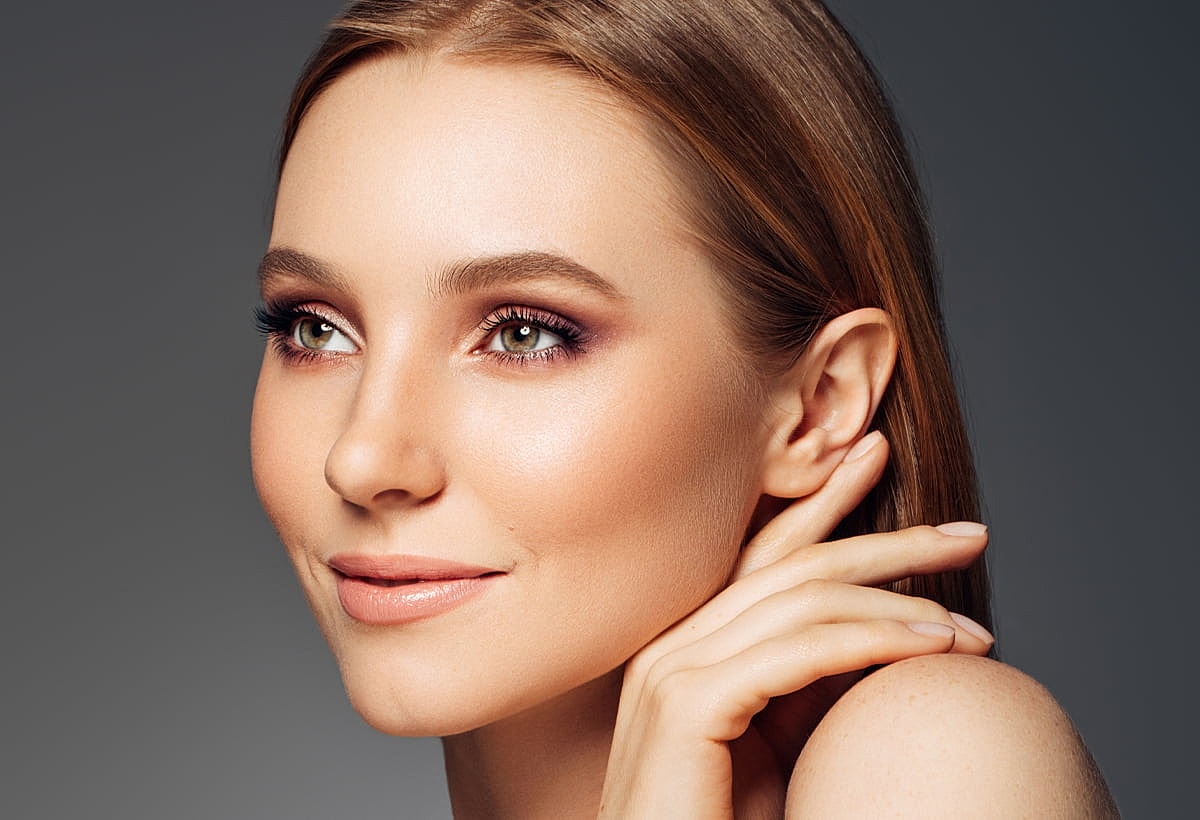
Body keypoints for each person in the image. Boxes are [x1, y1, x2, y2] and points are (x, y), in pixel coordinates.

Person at [250, 0, 1118, 815]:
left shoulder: (933, 749)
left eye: (524, 335)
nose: (360, 461)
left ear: (819, 406)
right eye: (316, 330)